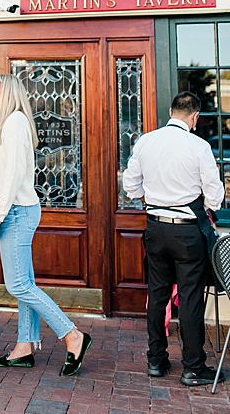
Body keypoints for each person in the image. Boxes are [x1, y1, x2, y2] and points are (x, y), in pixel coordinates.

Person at [0, 74, 91, 375]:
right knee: (24, 284)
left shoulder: (15, 122)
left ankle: (73, 335)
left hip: (16, 211)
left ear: (10, 91)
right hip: (14, 210)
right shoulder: (6, 123)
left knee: (18, 285)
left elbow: (14, 176)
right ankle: (24, 347)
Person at [123, 91, 226, 386]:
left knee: (157, 295)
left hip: (155, 227)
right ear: (194, 117)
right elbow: (215, 196)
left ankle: (156, 361)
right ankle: (193, 367)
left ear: (171, 112)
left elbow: (130, 185)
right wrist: (203, 204)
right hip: (187, 230)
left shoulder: (146, 141)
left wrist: (153, 200)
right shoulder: (199, 146)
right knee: (190, 298)